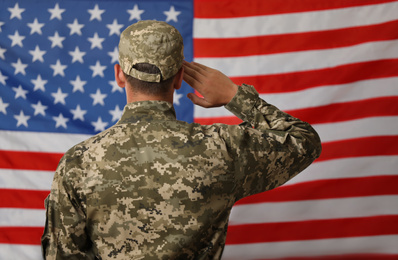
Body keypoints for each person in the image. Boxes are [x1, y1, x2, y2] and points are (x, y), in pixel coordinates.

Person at [41, 20, 321, 259]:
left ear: (119, 75)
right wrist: (235, 96)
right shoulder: (221, 148)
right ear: (179, 78)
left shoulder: (79, 161)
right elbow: (303, 140)